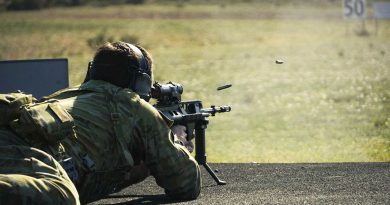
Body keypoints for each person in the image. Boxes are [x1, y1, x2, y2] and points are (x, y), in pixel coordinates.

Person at [0, 42, 201, 204]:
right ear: (141, 83)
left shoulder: (65, 95)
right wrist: (178, 140)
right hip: (34, 157)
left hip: (12, 145)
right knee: (62, 196)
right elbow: (185, 184)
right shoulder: (134, 106)